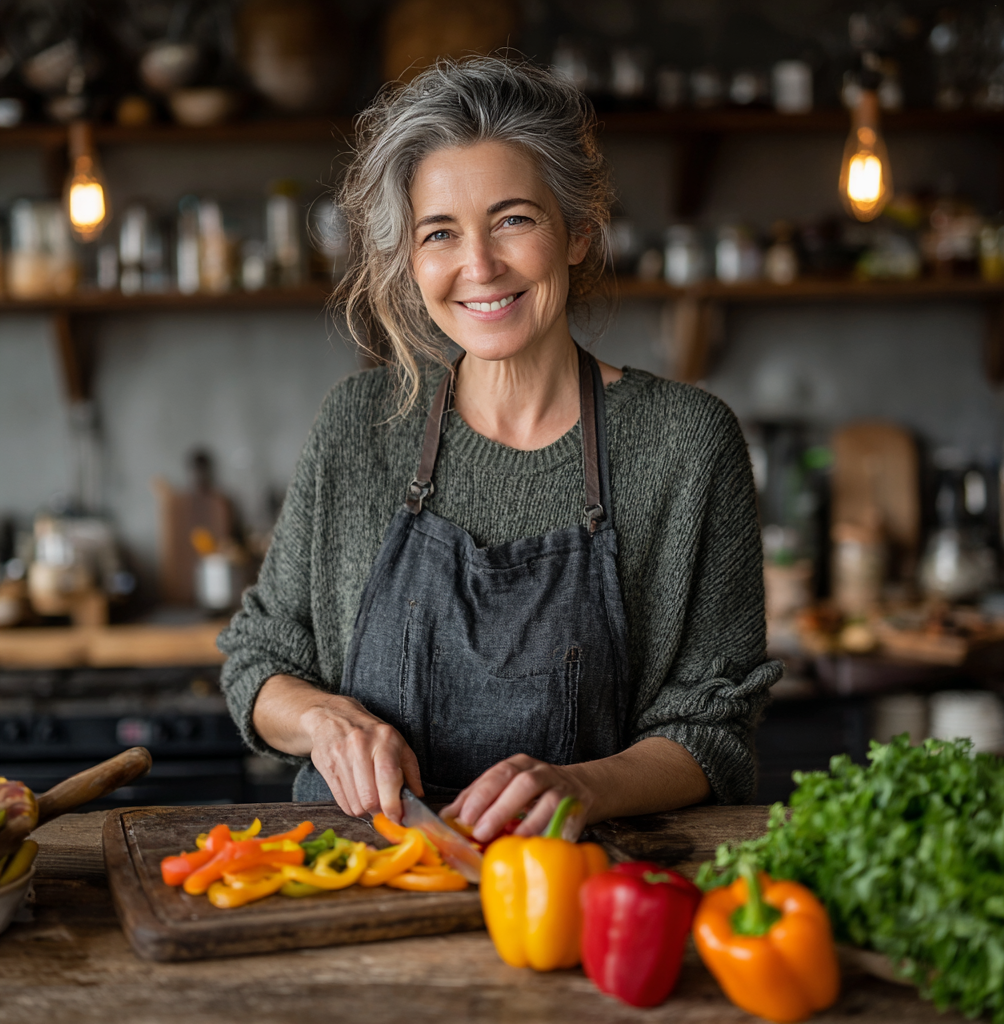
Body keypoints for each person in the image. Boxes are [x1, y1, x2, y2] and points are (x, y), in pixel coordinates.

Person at [218, 57, 781, 844]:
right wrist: (323, 721)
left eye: (513, 219)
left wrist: (581, 786)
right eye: (440, 233)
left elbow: (713, 727)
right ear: (412, 262)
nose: (478, 267)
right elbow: (260, 658)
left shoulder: (686, 443)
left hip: (573, 889)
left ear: (578, 231)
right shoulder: (358, 425)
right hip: (357, 886)